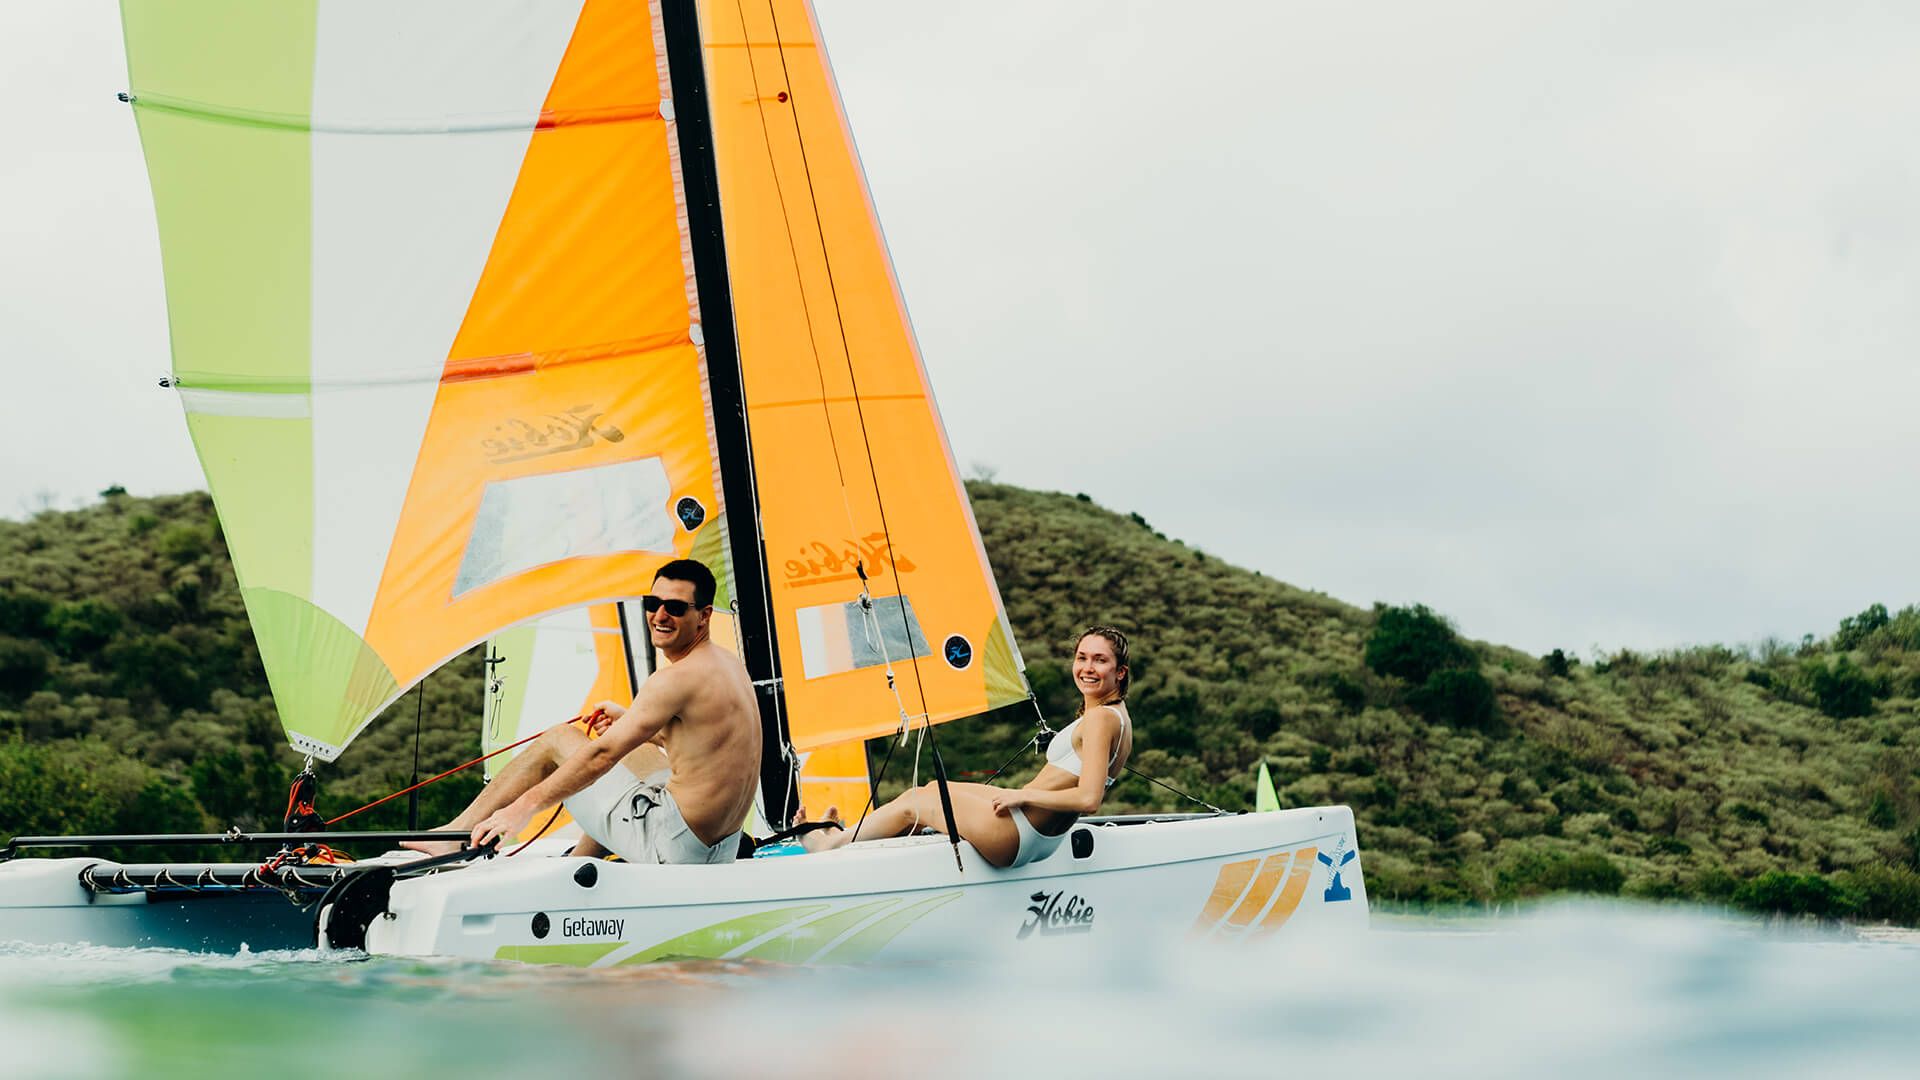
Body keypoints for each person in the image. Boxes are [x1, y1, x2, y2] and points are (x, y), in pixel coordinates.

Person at [404, 559, 760, 865]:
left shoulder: (674, 679)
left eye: (676, 608)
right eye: (653, 603)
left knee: (558, 740)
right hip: (719, 847)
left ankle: (452, 834)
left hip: (672, 848)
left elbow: (600, 757)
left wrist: (521, 808)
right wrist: (626, 717)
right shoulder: (728, 664)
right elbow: (697, 742)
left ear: (704, 616)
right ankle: (580, 863)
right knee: (638, 753)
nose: (660, 615)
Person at [801, 625, 1133, 868]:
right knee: (934, 789)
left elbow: (1089, 799)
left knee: (917, 802)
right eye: (1082, 657)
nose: (1087, 668)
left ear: (1119, 672)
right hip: (1037, 835)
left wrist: (1023, 795)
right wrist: (1021, 796)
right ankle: (851, 843)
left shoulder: (1102, 719)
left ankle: (829, 846)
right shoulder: (1117, 715)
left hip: (1016, 836)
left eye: (1099, 660)